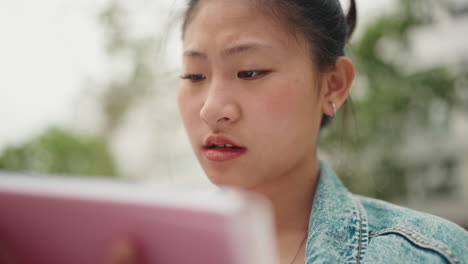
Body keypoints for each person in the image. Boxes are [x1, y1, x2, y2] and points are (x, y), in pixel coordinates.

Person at [176, 0, 468, 263]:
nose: (210, 110)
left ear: (333, 85)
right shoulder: (154, 248)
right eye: (194, 75)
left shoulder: (429, 255)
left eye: (250, 72)